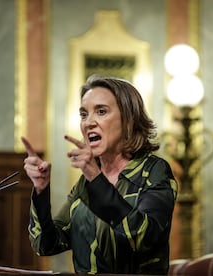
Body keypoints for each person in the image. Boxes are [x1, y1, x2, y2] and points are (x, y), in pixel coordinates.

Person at [22, 75, 178, 275]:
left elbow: (144, 237)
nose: (89, 123)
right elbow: (46, 244)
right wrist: (41, 191)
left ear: (128, 119)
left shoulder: (153, 170)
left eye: (101, 111)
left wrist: (96, 179)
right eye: (84, 114)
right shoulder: (85, 183)